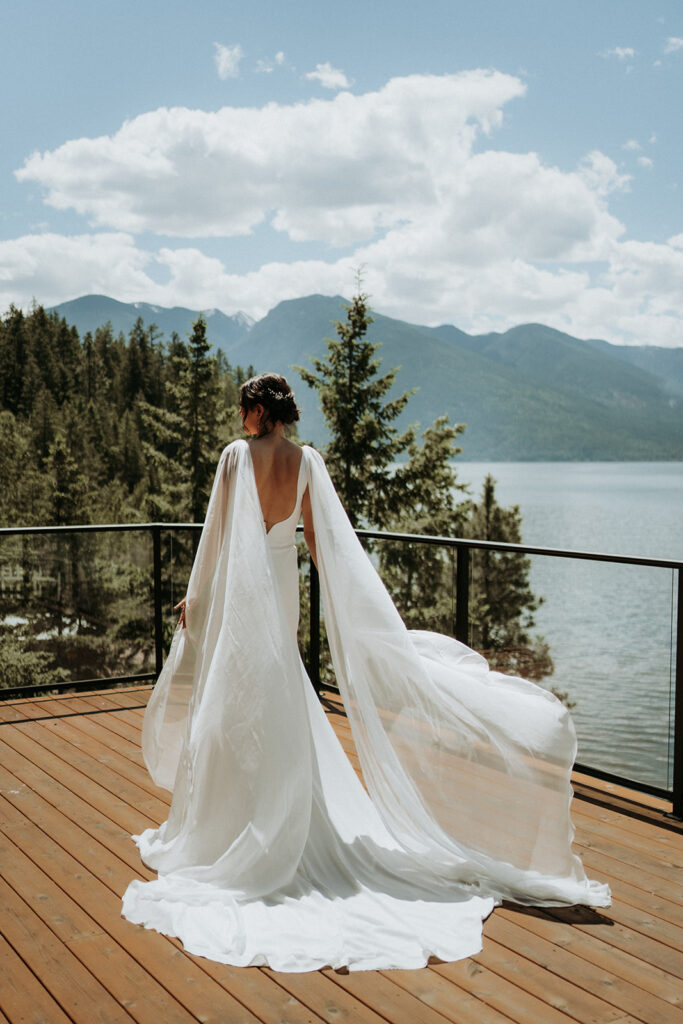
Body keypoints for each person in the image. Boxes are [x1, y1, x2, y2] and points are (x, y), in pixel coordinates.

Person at [122, 372, 609, 972]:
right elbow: (325, 548)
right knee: (279, 696)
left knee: (235, 703)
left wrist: (195, 601)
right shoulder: (305, 462)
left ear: (255, 411)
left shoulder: (234, 457)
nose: (241, 419)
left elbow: (214, 539)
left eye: (243, 409)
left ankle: (234, 825)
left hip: (242, 597)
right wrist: (357, 617)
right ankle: (282, 815)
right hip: (281, 588)